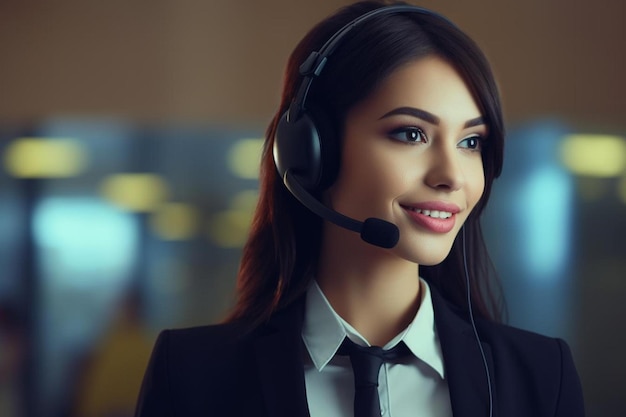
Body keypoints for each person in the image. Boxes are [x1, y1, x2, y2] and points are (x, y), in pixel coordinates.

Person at [135, 1, 585, 416]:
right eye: (411, 134)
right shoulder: (193, 377)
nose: (453, 175)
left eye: (471, 142)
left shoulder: (543, 377)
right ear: (312, 153)